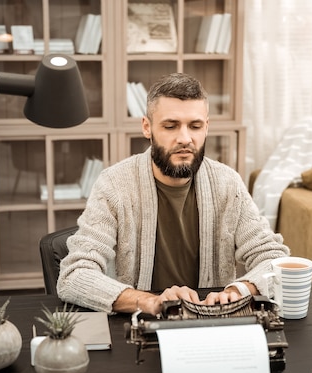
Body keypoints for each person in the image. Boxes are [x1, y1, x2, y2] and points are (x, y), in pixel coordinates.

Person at [57, 73, 289, 316]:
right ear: (147, 127)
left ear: (207, 127)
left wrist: (241, 289)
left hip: (212, 324)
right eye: (170, 126)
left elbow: (273, 258)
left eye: (195, 126)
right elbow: (74, 275)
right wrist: (149, 302)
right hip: (141, 327)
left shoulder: (227, 183)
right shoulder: (114, 184)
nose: (185, 138)